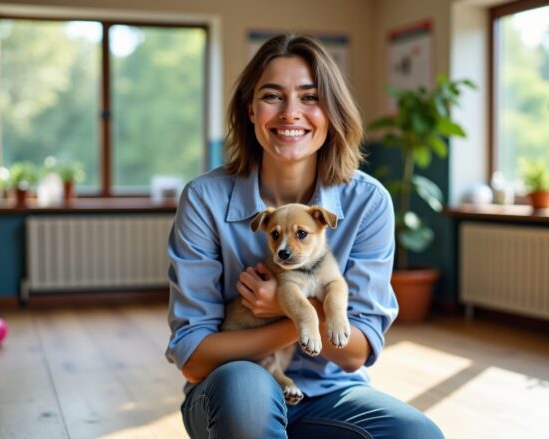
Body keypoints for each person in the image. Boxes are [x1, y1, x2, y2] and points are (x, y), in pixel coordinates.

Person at [165, 33, 444, 439]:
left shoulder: (367, 201)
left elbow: (357, 351)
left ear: (331, 112)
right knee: (248, 399)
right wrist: (299, 316)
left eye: (310, 97)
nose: (290, 113)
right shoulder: (204, 199)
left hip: (330, 393)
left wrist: (283, 304)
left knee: (418, 435)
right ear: (250, 111)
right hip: (229, 391)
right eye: (272, 96)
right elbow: (194, 359)